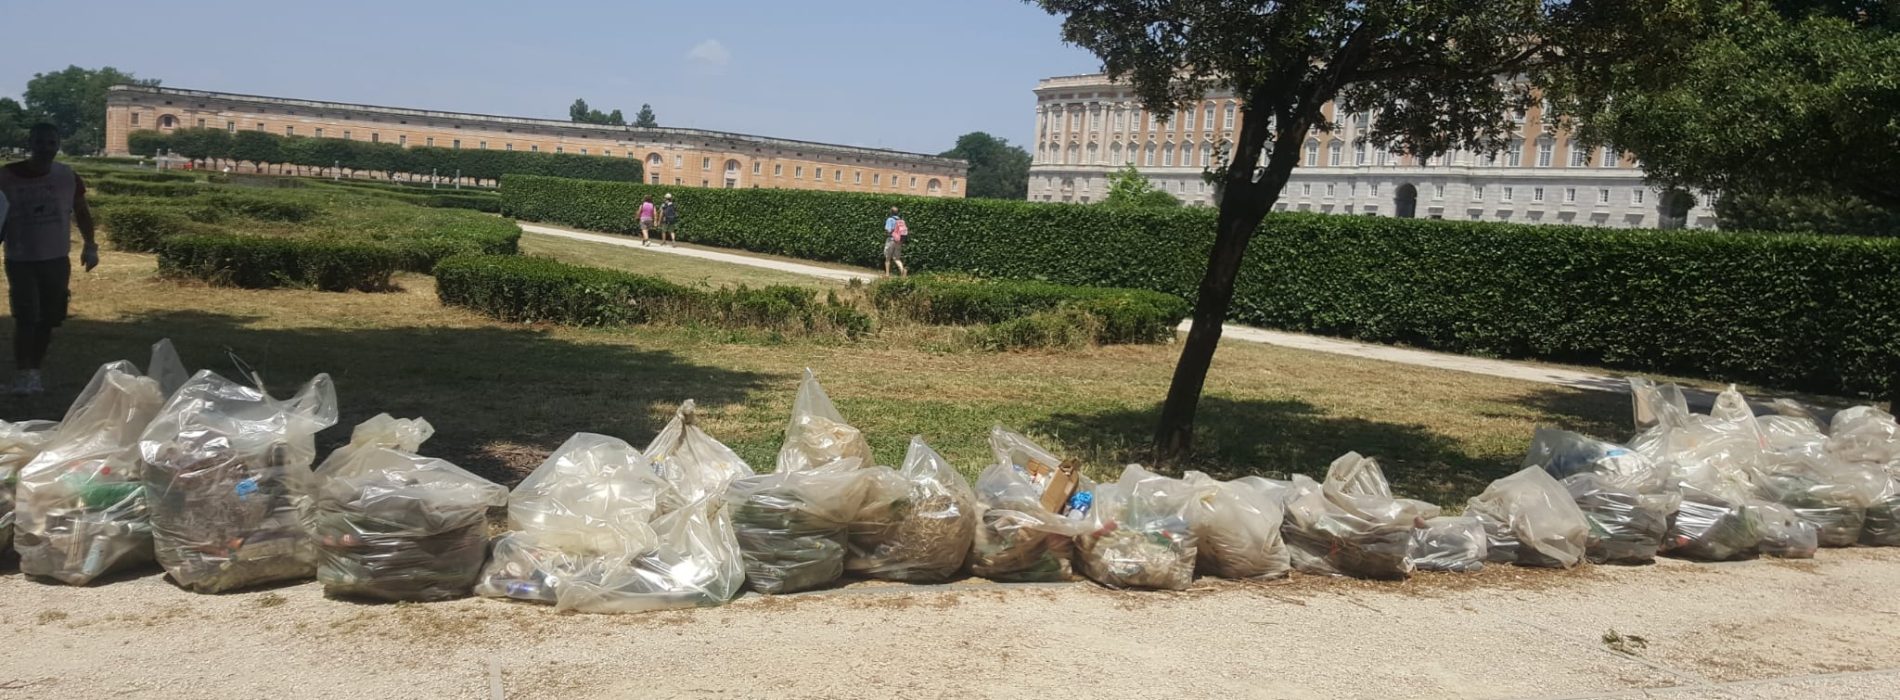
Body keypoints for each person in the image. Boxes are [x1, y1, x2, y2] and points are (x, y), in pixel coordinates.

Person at [0, 123, 99, 395]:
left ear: (57, 144)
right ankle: (23, 373)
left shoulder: (67, 176)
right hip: (20, 257)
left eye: (51, 143)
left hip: (56, 258)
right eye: (40, 142)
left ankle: (35, 372)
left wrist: (91, 245)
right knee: (26, 315)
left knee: (49, 317)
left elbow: (81, 211)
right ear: (30, 143)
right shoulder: (6, 176)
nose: (45, 148)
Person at [882, 206, 908, 278]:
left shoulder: (890, 219)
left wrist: (886, 233)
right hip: (899, 240)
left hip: (891, 239)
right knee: (897, 258)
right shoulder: (901, 220)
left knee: (888, 257)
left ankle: (887, 274)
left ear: (891, 212)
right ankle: (902, 270)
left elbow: (888, 230)